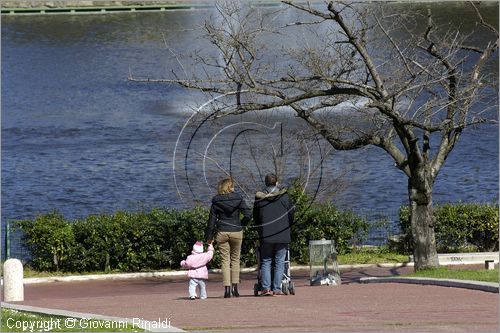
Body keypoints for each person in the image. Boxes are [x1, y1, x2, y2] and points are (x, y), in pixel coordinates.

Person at [204, 177, 251, 298]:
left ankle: (227, 289)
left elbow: (211, 221)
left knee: (225, 261)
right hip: (236, 231)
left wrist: (208, 237)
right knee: (235, 259)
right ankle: (235, 288)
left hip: (222, 232)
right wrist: (241, 225)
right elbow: (248, 214)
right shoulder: (238, 198)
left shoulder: (216, 201)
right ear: (230, 187)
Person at [253, 173, 294, 296]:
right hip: (282, 232)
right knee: (280, 261)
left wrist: (259, 229)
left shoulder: (260, 198)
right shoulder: (285, 197)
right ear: (276, 183)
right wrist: (288, 225)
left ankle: (265, 288)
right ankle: (277, 288)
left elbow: (256, 216)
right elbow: (291, 214)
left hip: (266, 234)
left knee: (266, 260)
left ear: (265, 183)